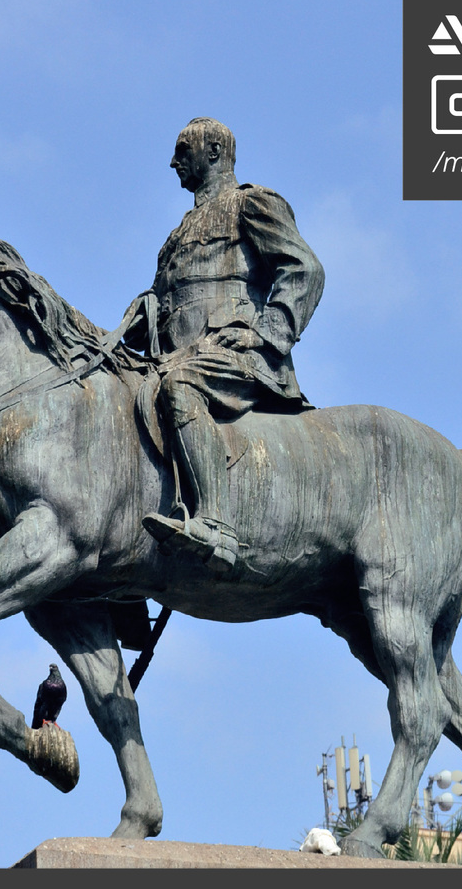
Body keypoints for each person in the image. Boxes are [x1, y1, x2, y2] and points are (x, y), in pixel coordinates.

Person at [121, 117, 325, 571]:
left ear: (213, 152)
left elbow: (305, 269)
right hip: (176, 356)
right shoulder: (177, 234)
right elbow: (170, 303)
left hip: (238, 357)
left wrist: (265, 333)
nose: (172, 162)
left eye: (183, 150)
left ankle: (216, 524)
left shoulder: (251, 203)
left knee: (180, 386)